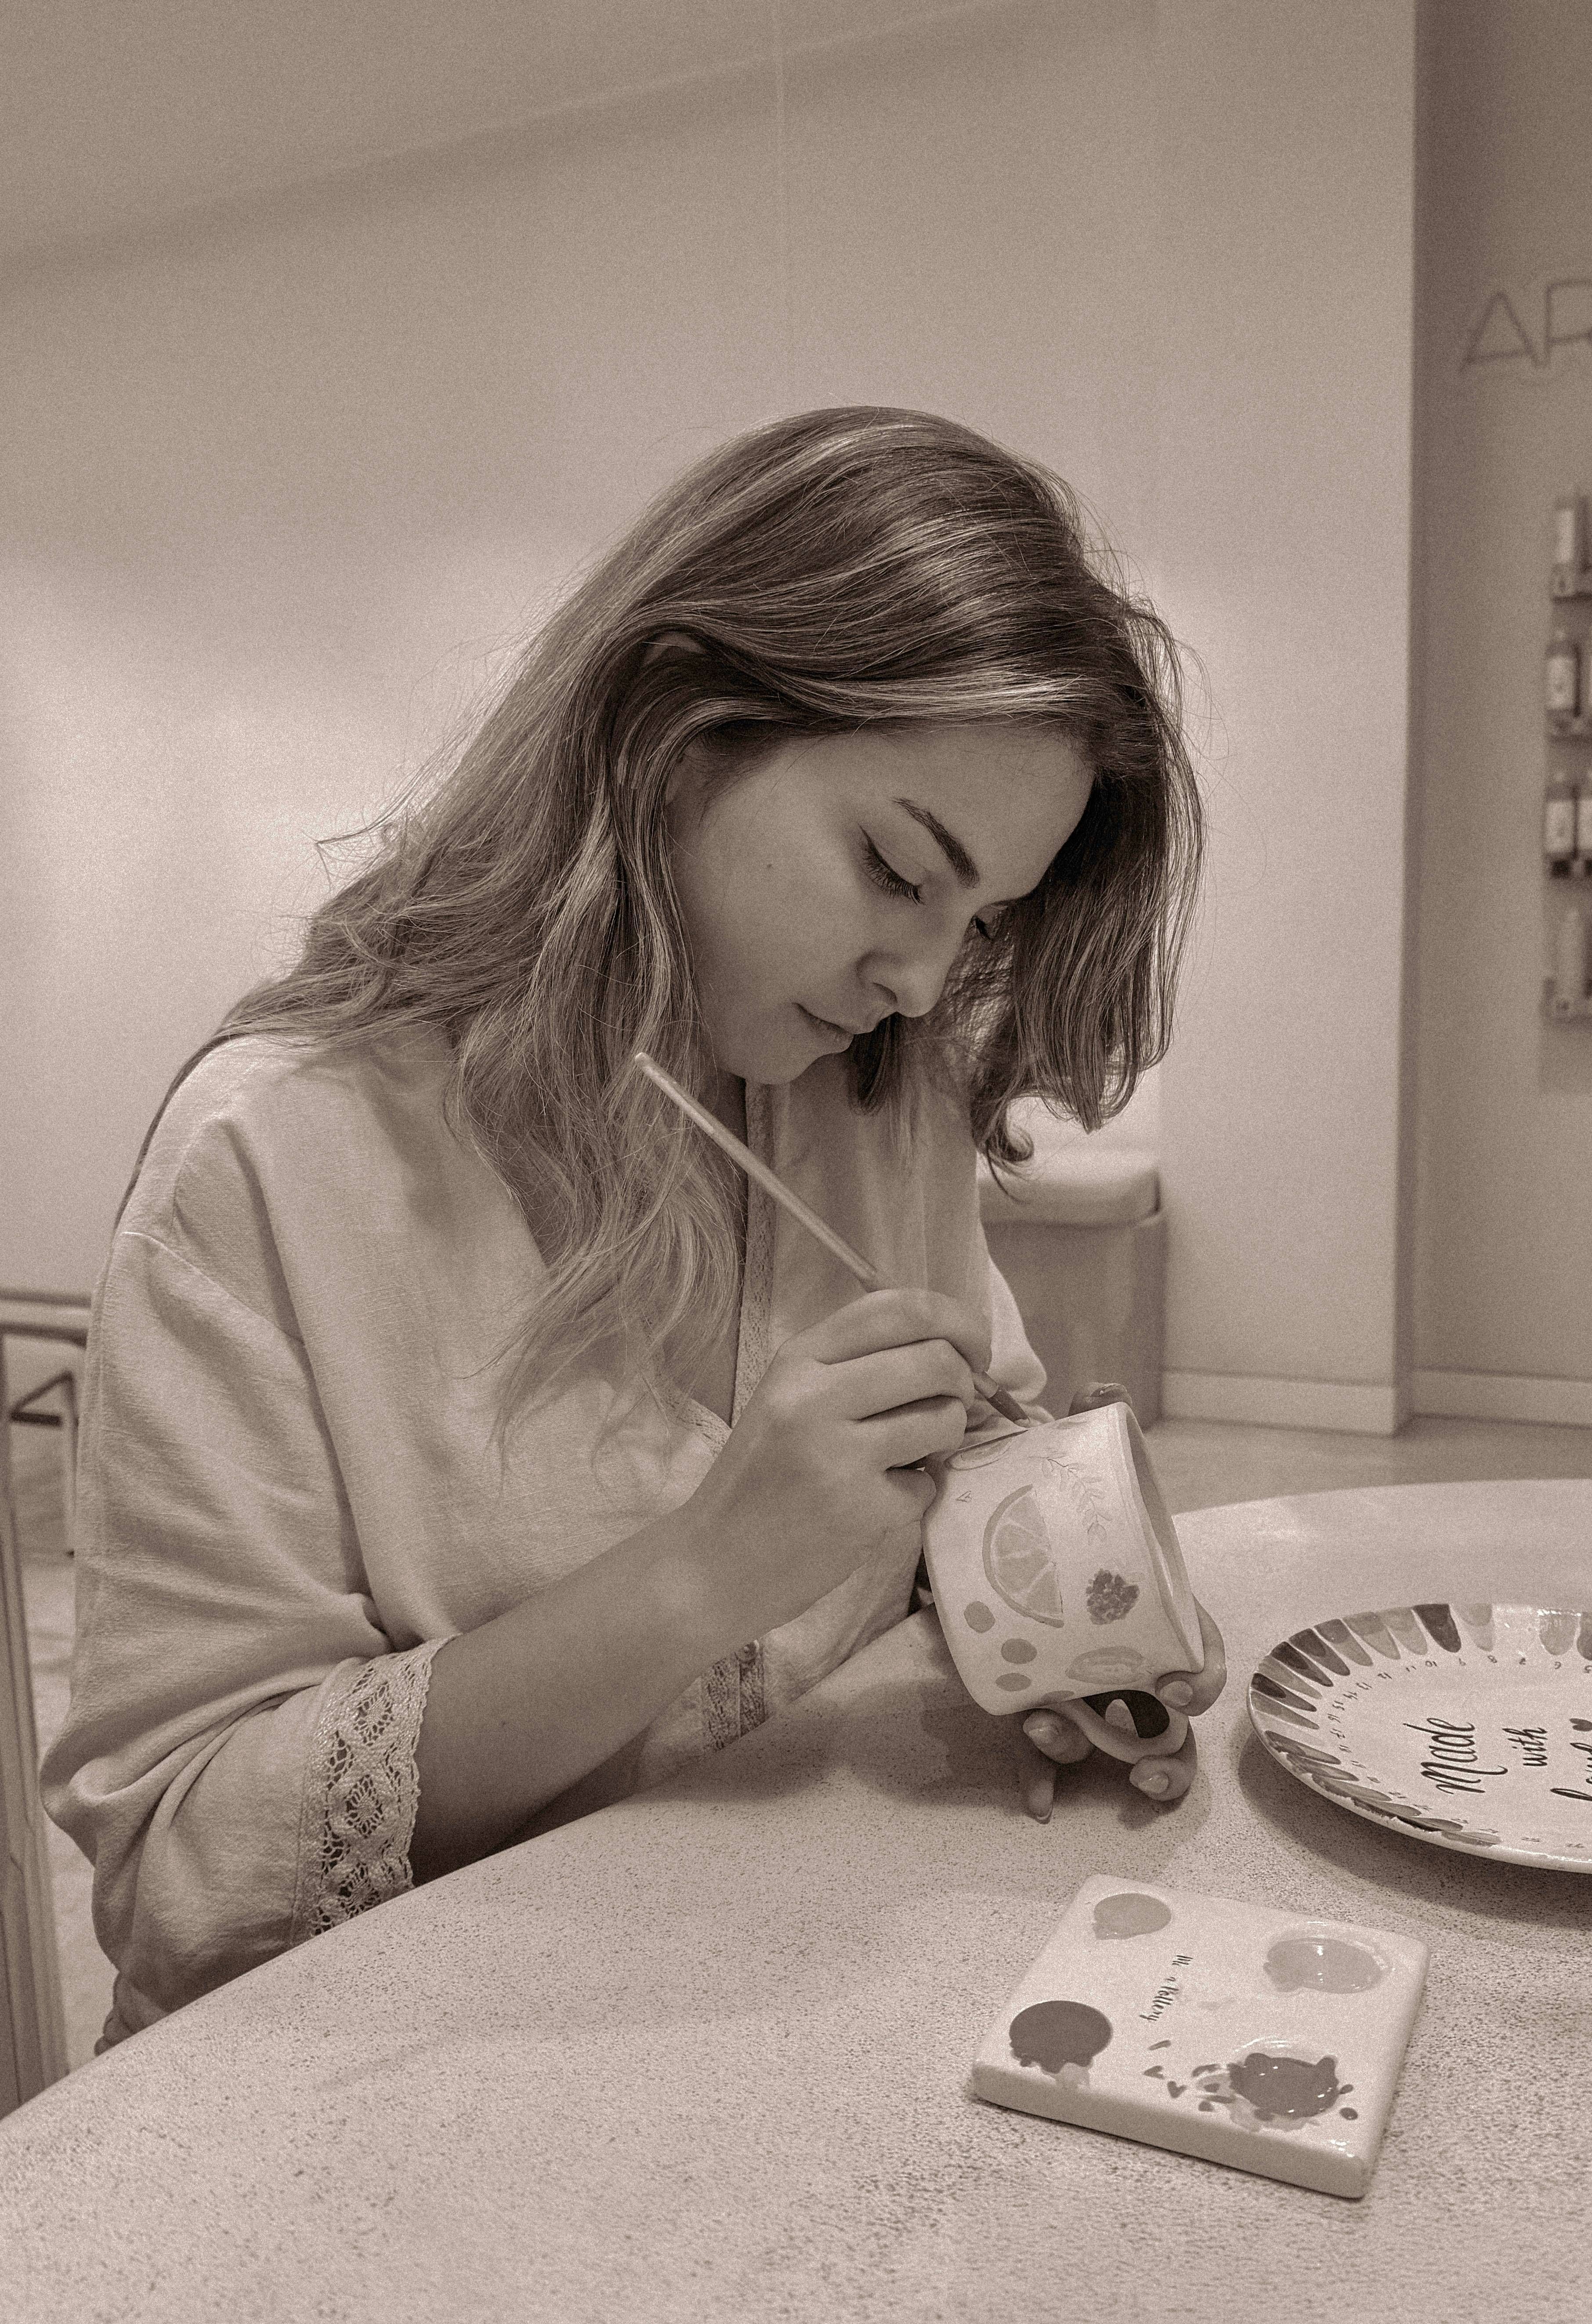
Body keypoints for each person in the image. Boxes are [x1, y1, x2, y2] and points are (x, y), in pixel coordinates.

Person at [42, 405, 1223, 2053]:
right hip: (363, 2079)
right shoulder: (276, 1157)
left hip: (763, 2018)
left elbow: (973, 1446)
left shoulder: (879, 1100)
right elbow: (181, 1865)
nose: (921, 980)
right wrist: (698, 1573)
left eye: (982, 921)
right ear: (674, 729)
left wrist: (1057, 1620)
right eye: (898, 870)